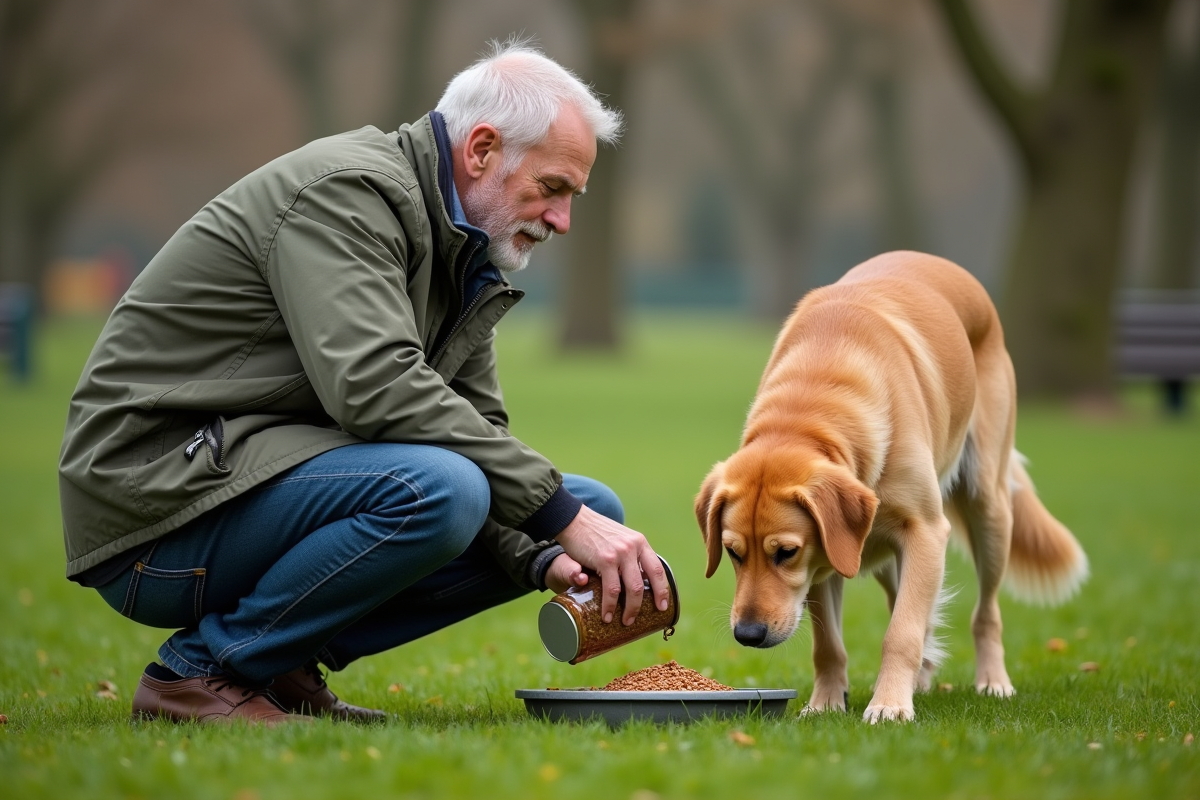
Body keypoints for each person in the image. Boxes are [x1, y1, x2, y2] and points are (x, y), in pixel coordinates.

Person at [58, 40, 670, 725]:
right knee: (452, 491)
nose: (561, 220)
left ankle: (279, 664)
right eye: (552, 188)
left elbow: (479, 434)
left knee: (584, 507)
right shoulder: (346, 193)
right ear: (481, 150)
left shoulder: (462, 251)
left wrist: (541, 555)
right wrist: (560, 519)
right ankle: (202, 672)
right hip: (154, 512)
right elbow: (375, 386)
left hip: (248, 480)